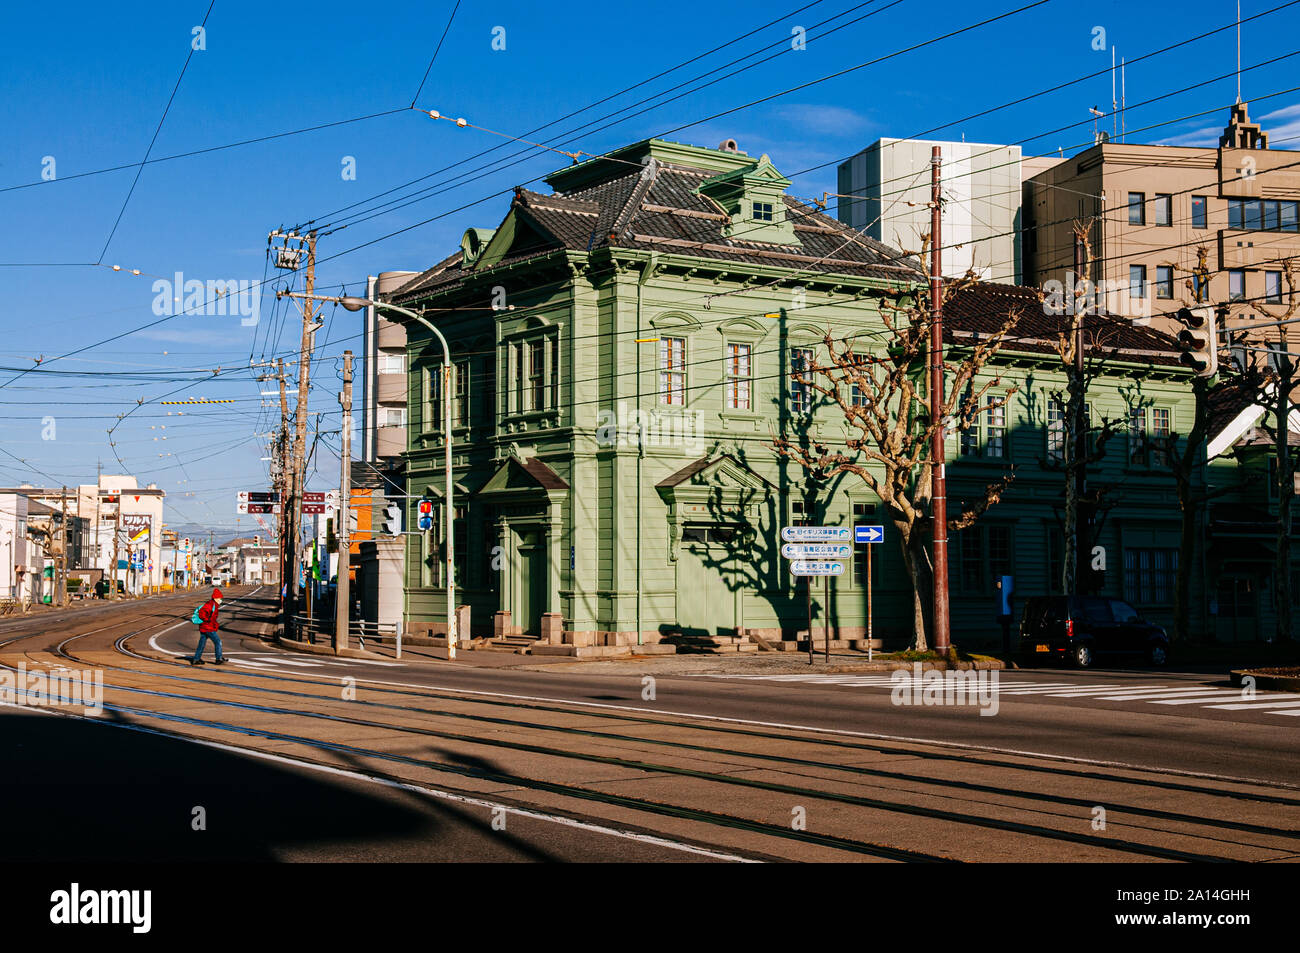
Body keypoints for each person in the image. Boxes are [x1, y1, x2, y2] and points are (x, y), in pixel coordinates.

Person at [191, 588, 226, 666]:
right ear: (215, 598)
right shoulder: (210, 604)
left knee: (202, 643)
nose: (220, 600)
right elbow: (202, 613)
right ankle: (218, 658)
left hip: (205, 627)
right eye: (219, 598)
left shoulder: (214, 605)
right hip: (208, 627)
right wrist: (208, 620)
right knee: (218, 641)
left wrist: (213, 623)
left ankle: (196, 659)